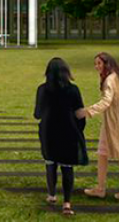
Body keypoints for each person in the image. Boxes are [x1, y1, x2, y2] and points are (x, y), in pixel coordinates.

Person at [77, 53, 119, 200]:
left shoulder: (109, 80)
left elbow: (106, 101)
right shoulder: (118, 75)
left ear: (107, 63)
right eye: (95, 64)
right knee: (103, 153)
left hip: (116, 122)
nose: (97, 67)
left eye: (99, 63)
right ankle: (103, 189)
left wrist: (87, 111)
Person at [36, 57, 87, 215]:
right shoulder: (74, 90)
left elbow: (37, 114)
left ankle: (51, 195)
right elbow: (80, 114)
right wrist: (78, 130)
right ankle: (67, 203)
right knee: (67, 167)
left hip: (48, 132)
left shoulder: (42, 89)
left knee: (50, 164)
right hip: (68, 132)